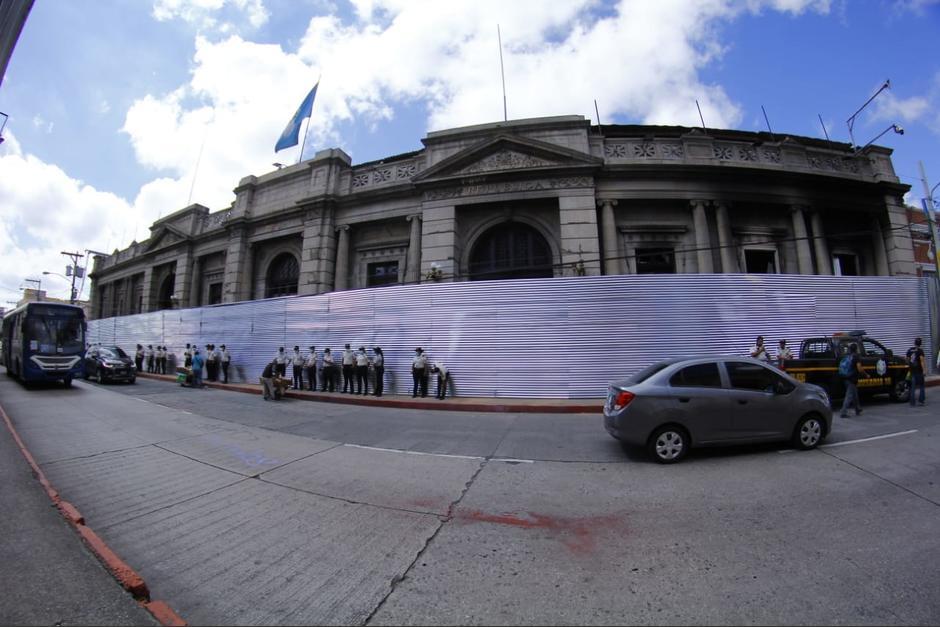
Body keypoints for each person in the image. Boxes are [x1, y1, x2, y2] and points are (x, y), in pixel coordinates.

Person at [839, 342, 869, 418]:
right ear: (856, 349)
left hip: (846, 377)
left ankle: (857, 409)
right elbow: (859, 368)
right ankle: (843, 412)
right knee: (849, 396)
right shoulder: (856, 357)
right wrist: (866, 374)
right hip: (851, 379)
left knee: (854, 394)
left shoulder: (848, 356)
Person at [907, 337, 927, 406]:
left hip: (912, 371)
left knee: (912, 387)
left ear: (914, 343)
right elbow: (922, 361)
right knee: (921, 386)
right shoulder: (920, 351)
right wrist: (924, 370)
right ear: (920, 343)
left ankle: (912, 402)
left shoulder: (909, 350)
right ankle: (921, 401)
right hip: (919, 371)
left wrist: (910, 368)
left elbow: (907, 360)